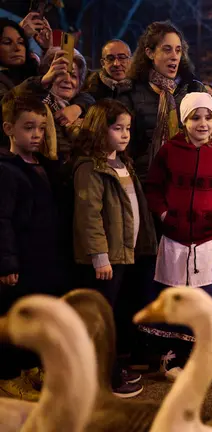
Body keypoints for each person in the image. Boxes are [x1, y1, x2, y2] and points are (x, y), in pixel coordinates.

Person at [142, 92, 212, 381]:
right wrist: (163, 215)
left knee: (204, 299)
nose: (203, 123)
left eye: (208, 117)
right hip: (174, 238)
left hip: (208, 242)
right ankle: (169, 357)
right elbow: (154, 188)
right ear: (184, 121)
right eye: (196, 117)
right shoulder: (169, 152)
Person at [71, 99, 157, 398]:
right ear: (99, 129)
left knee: (115, 314)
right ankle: (100, 376)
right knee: (99, 319)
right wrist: (100, 257)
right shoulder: (90, 168)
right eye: (117, 128)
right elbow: (89, 215)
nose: (125, 134)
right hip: (105, 259)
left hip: (125, 253)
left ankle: (111, 368)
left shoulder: (123, 163)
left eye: (128, 128)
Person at [0, 95, 64, 400]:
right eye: (28, 128)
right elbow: (2, 221)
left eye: (41, 127)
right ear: (9, 128)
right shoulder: (6, 170)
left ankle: (31, 368)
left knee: (38, 318)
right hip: (21, 262)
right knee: (17, 319)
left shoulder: (44, 166)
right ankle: (10, 374)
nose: (36, 134)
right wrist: (7, 263)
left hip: (43, 260)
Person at [119, 21, 205, 181]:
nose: (174, 56)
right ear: (150, 53)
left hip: (187, 182)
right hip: (144, 183)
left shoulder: (194, 90)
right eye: (167, 49)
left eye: (178, 50)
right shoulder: (130, 93)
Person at [16, 47, 94, 161]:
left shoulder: (84, 107)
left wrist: (78, 108)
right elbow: (13, 100)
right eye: (61, 74)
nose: (68, 80)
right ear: (48, 74)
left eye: (73, 76)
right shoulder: (35, 106)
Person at [0, 18, 45, 154]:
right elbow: (6, 105)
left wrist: (48, 49)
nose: (17, 48)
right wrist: (40, 82)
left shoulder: (31, 72)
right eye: (7, 42)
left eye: (21, 42)